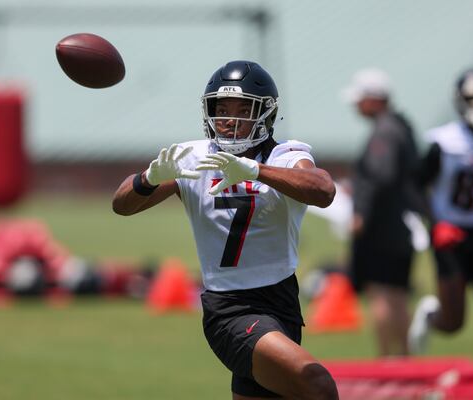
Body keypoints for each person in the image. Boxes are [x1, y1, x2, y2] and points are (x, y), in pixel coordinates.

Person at [113, 60, 339, 399]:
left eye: (242, 109)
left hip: (282, 302)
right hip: (231, 308)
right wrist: (148, 180)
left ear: (265, 113)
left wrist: (255, 170)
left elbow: (323, 190)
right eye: (222, 109)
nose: (230, 119)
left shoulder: (285, 155)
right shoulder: (195, 157)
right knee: (316, 384)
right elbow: (122, 205)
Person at [409, 67, 473, 400]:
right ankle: (432, 315)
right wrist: (436, 224)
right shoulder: (444, 142)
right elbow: (415, 185)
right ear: (460, 101)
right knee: (454, 323)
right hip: (451, 234)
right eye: (472, 98)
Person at [341, 68, 420, 356]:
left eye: (359, 99)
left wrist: (361, 212)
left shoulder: (384, 132)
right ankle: (405, 360)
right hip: (401, 225)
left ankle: (387, 361)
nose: (356, 106)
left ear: (374, 100)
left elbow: (380, 176)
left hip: (382, 228)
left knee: (383, 294)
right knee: (398, 295)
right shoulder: (401, 127)